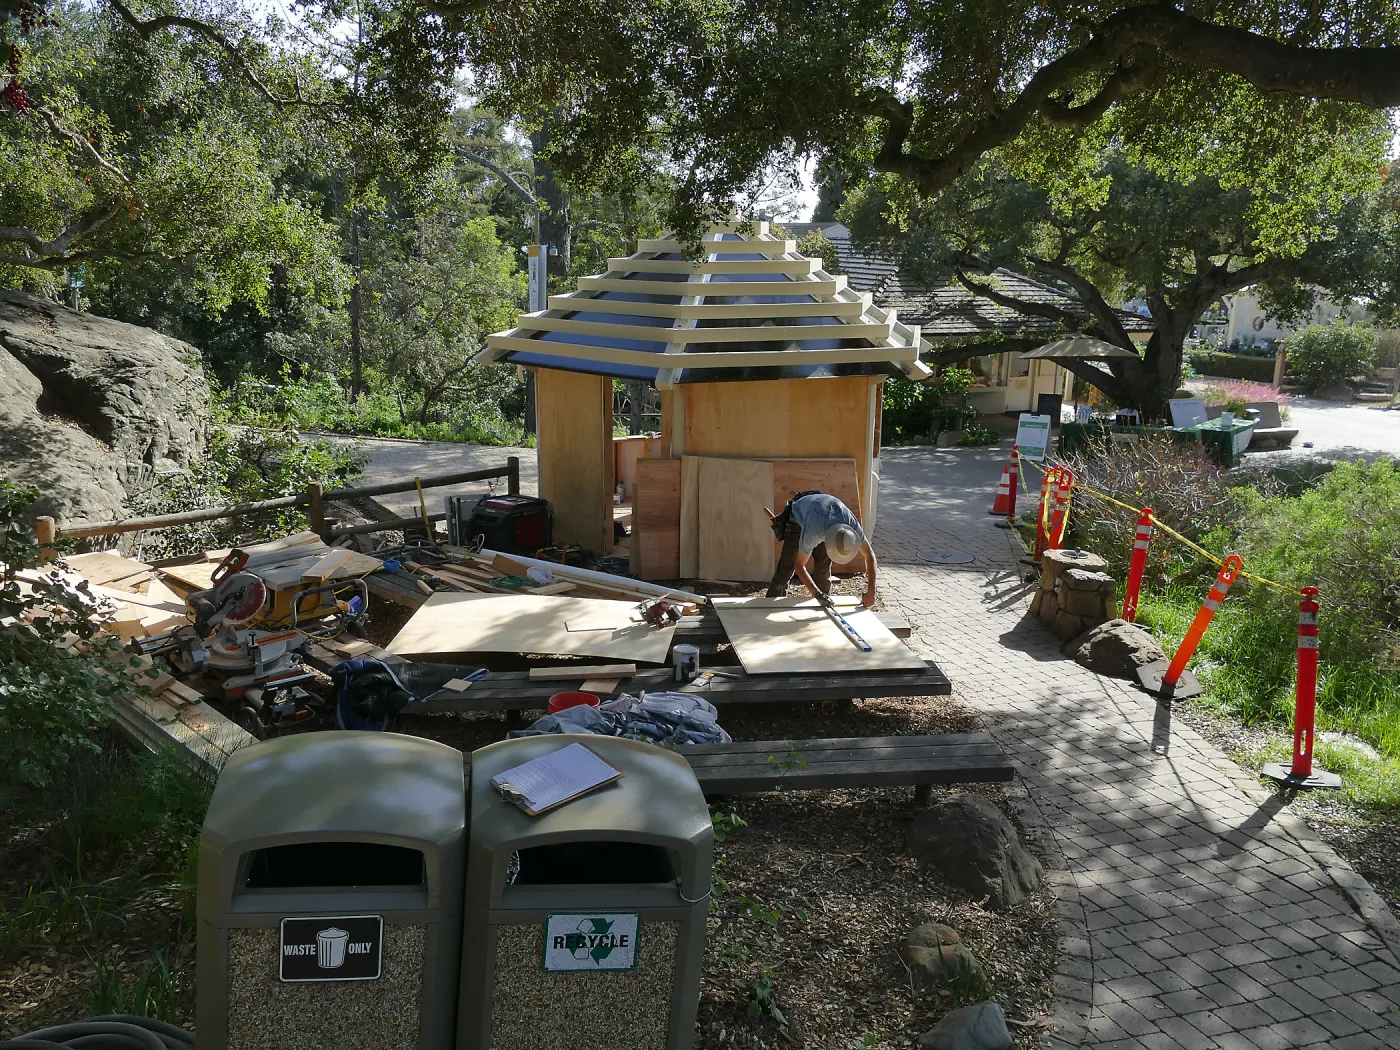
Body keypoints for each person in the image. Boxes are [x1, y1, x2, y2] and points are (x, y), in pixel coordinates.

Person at [765, 491, 878, 607]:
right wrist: (816, 594)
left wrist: (871, 592)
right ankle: (769, 607)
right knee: (786, 568)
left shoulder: (851, 525)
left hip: (823, 514)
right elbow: (799, 565)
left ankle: (825, 607)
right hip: (798, 519)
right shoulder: (813, 532)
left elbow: (870, 556)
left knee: (823, 570)